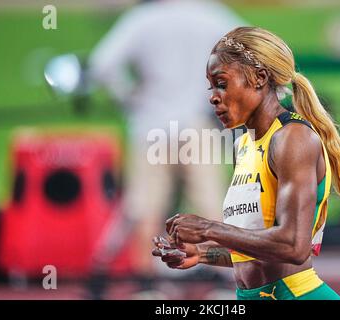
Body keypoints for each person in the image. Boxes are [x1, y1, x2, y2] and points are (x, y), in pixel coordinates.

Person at [152, 26, 340, 300]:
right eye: (211, 87)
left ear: (259, 78)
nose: (213, 96)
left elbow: (293, 245)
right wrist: (201, 254)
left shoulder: (292, 138)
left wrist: (207, 228)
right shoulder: (244, 144)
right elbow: (259, 249)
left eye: (222, 84)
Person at [87, 0, 245, 298]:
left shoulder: (143, 18)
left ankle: (149, 287)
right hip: (197, 123)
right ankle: (222, 284)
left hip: (151, 125)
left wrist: (129, 98)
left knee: (147, 208)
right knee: (211, 207)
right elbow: (251, 54)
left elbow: (103, 65)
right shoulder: (212, 15)